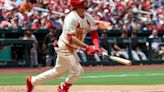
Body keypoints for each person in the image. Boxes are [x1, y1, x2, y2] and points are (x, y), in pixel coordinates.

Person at [26, 0, 103, 92]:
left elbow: (94, 33)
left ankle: (32, 81)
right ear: (78, 5)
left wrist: (97, 45)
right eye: (84, 2)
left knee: (58, 71)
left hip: (72, 48)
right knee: (78, 72)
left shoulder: (88, 17)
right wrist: (87, 47)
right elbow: (71, 38)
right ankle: (63, 87)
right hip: (65, 46)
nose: (86, 3)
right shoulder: (71, 18)